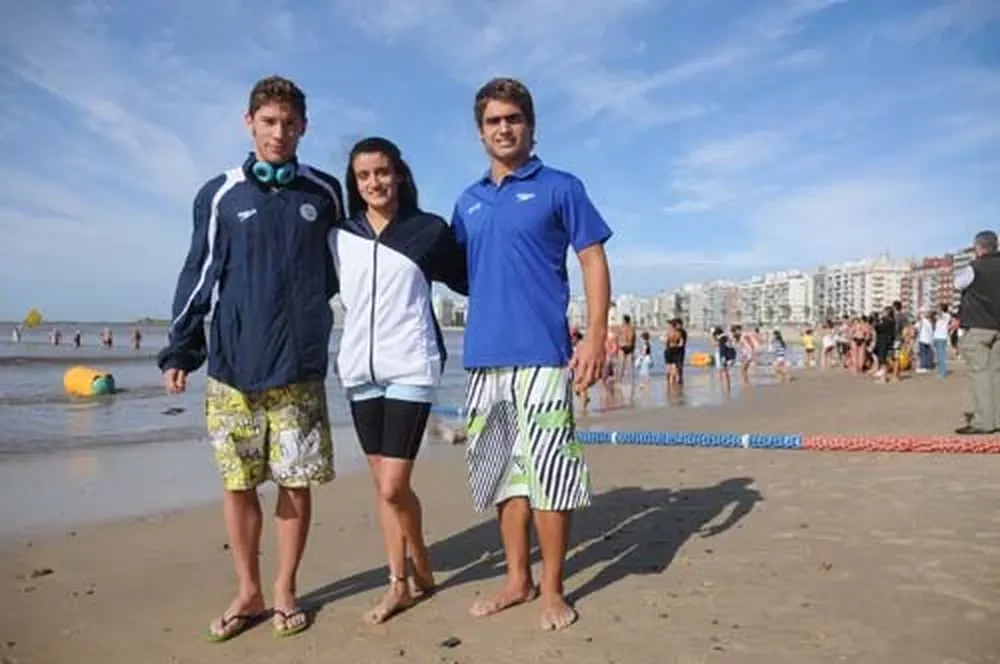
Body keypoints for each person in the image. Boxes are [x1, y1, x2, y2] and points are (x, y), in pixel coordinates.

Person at [157, 75, 344, 641]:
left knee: (294, 481)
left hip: (300, 368)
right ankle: (249, 589)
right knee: (239, 484)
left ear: (303, 127)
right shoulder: (221, 194)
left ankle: (285, 587)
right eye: (268, 122)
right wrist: (182, 348)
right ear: (249, 123)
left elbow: (351, 268)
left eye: (289, 123)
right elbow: (199, 273)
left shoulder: (325, 192)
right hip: (234, 369)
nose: (279, 133)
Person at [450, 77, 612, 631]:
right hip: (482, 360)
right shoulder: (467, 201)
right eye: (493, 120)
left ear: (531, 125)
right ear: (480, 132)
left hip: (543, 357)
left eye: (513, 118)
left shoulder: (560, 186)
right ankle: (517, 579)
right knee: (503, 476)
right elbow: (453, 270)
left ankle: (552, 589)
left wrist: (594, 336)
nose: (504, 128)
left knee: (550, 475)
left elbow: (591, 259)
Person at [329, 136, 467, 624]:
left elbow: (472, 278)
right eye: (364, 176)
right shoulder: (340, 234)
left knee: (392, 486)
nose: (374, 183)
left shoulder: (427, 231)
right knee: (384, 487)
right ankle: (402, 579)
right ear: (355, 183)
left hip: (411, 366)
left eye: (383, 172)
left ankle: (418, 557)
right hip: (359, 374)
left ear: (400, 174)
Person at [954, 230, 1000, 434]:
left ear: (978, 248)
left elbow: (958, 284)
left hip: (978, 326)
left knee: (980, 374)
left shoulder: (974, 268)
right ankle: (997, 419)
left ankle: (983, 421)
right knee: (997, 374)